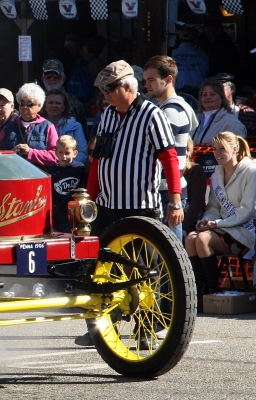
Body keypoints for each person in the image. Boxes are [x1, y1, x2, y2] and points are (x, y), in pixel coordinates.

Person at [75, 60, 183, 347]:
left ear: (127, 86)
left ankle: (145, 330)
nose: (104, 95)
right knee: (98, 269)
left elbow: (169, 158)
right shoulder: (108, 113)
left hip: (140, 208)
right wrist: (89, 198)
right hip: (107, 206)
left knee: (142, 274)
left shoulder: (152, 115)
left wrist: (175, 199)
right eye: (101, 90)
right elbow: (97, 159)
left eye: (109, 89)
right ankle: (101, 327)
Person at [185, 132, 256, 310]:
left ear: (234, 149)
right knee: (191, 238)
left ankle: (212, 291)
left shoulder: (251, 171)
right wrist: (207, 220)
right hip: (224, 229)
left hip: (246, 232)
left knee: (202, 239)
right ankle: (200, 295)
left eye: (222, 149)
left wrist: (217, 224)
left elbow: (247, 212)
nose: (216, 153)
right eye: (215, 149)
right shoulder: (217, 174)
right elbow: (213, 208)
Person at [143, 55, 199, 242]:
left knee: (169, 257)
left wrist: (174, 202)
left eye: (152, 80)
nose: (147, 85)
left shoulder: (171, 111)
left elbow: (167, 156)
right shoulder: (169, 108)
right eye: (145, 81)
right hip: (167, 190)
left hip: (168, 191)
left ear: (168, 79)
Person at [39, 59, 89, 138]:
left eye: (57, 76)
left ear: (64, 78)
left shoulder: (75, 103)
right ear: (43, 78)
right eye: (48, 76)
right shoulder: (36, 102)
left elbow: (83, 132)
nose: (52, 79)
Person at [49, 135, 86, 232]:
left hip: (75, 213)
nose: (64, 156)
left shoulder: (80, 169)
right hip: (58, 213)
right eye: (60, 152)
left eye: (67, 153)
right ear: (56, 152)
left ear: (75, 153)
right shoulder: (52, 171)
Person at [192, 79, 246, 145]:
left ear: (222, 97)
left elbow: (239, 148)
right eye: (204, 95)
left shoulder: (231, 122)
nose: (208, 97)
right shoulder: (193, 119)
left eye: (212, 94)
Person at [43, 89, 87, 163]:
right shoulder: (38, 125)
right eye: (50, 103)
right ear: (45, 106)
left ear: (64, 108)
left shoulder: (75, 126)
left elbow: (82, 153)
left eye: (58, 103)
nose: (54, 106)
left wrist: (66, 166)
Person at [211, 73, 256, 138]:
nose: (217, 92)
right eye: (214, 89)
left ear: (231, 89)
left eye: (220, 88)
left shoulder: (246, 112)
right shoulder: (207, 114)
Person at [172, 28, 209, 99]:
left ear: (179, 39)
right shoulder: (202, 54)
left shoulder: (171, 54)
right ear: (195, 39)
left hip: (177, 92)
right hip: (198, 93)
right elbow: (206, 71)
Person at [183, 136, 207, 237]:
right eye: (180, 149)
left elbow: (197, 203)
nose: (185, 153)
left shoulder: (195, 169)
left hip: (191, 220)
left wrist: (184, 228)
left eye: (188, 150)